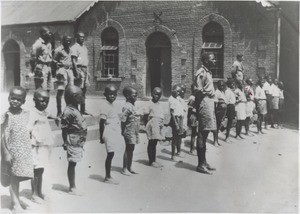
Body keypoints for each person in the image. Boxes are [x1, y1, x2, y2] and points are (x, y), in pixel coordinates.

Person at [1, 87, 33, 212]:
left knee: (18, 177)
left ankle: (16, 199)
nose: (15, 101)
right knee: (13, 178)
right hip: (11, 152)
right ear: (9, 98)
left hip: (22, 152)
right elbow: (2, 135)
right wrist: (5, 153)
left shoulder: (25, 114)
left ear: (23, 101)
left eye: (18, 100)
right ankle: (15, 204)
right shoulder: (6, 115)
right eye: (13, 98)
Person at [27, 90, 59, 202]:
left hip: (43, 146)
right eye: (42, 101)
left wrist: (56, 118)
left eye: (47, 101)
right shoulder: (33, 113)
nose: (44, 103)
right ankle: (34, 194)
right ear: (34, 100)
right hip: (36, 146)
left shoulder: (43, 111)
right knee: (35, 169)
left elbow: (49, 114)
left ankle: (39, 192)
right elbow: (29, 128)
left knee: (41, 169)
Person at [61, 85, 87, 195]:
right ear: (74, 97)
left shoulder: (75, 108)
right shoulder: (68, 111)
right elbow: (64, 129)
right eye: (81, 96)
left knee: (74, 162)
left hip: (78, 141)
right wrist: (65, 142)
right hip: (72, 141)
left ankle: (73, 186)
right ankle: (72, 187)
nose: (83, 98)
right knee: (72, 163)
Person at [194, 52, 217, 174]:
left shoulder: (208, 72)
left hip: (209, 102)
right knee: (202, 133)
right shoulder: (201, 72)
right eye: (213, 59)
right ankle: (200, 164)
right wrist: (199, 108)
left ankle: (204, 161)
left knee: (206, 132)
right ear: (206, 61)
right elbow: (198, 90)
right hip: (205, 102)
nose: (215, 61)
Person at [99, 85, 122, 184]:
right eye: (110, 94)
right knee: (110, 154)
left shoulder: (112, 105)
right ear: (105, 95)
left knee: (111, 153)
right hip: (109, 131)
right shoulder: (105, 105)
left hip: (114, 131)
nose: (112, 96)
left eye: (114, 94)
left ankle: (108, 176)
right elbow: (101, 122)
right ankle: (107, 177)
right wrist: (101, 136)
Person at [120, 87, 140, 175]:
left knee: (131, 148)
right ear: (128, 96)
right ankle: (124, 168)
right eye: (134, 95)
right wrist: (123, 131)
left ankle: (129, 166)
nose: (136, 97)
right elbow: (123, 120)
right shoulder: (127, 106)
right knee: (128, 149)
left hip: (134, 131)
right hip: (129, 131)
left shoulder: (132, 105)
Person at [54, 35, 74, 117]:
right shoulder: (58, 50)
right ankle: (59, 111)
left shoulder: (71, 50)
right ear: (63, 41)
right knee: (60, 92)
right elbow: (53, 61)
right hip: (62, 71)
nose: (68, 42)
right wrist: (59, 65)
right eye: (67, 40)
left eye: (70, 40)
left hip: (70, 71)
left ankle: (68, 111)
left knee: (70, 92)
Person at [144, 87, 165, 168]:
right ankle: (151, 161)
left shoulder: (159, 104)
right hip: (152, 125)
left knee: (155, 143)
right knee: (151, 142)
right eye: (155, 94)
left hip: (157, 125)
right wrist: (147, 126)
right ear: (152, 94)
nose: (157, 96)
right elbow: (146, 115)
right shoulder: (149, 103)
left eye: (159, 95)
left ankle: (154, 160)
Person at [71, 31, 90, 115]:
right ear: (77, 38)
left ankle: (83, 109)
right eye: (80, 37)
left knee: (84, 90)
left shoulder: (85, 47)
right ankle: (76, 109)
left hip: (85, 69)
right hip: (79, 69)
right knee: (78, 90)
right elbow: (74, 61)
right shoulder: (74, 47)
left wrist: (87, 72)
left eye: (83, 37)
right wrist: (76, 72)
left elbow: (86, 60)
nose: (82, 38)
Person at [31, 27, 53, 91]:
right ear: (43, 33)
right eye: (48, 33)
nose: (50, 34)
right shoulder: (38, 44)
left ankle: (46, 101)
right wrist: (36, 69)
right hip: (41, 67)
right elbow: (33, 58)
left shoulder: (49, 44)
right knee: (41, 89)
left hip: (48, 67)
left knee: (48, 88)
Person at [168, 85, 185, 161]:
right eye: (177, 91)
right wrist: (176, 124)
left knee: (179, 136)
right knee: (174, 138)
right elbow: (172, 113)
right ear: (172, 90)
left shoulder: (177, 98)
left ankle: (179, 151)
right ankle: (173, 155)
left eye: (179, 91)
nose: (178, 93)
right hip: (175, 119)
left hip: (180, 118)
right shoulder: (171, 99)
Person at [213, 80, 227, 146]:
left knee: (218, 127)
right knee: (216, 126)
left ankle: (216, 140)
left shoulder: (222, 92)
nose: (222, 86)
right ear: (218, 85)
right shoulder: (217, 92)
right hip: (218, 111)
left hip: (222, 111)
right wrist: (215, 113)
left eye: (223, 85)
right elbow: (215, 103)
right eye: (220, 85)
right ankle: (215, 141)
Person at [187, 84, 198, 155]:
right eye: (194, 90)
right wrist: (190, 118)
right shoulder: (192, 97)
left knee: (197, 133)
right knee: (193, 133)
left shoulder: (198, 96)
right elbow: (190, 109)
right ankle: (191, 149)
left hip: (198, 116)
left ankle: (197, 147)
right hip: (194, 116)